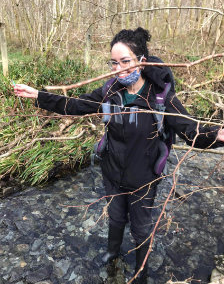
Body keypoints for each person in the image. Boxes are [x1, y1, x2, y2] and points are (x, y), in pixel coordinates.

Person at [13, 27, 224, 283]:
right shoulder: (110, 91)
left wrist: (217, 135)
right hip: (112, 174)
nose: (119, 68)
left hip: (144, 181)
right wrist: (38, 96)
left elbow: (192, 132)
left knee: (141, 228)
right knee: (114, 217)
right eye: (113, 63)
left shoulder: (160, 97)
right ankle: (113, 254)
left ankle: (140, 271)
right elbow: (75, 105)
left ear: (141, 61)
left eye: (125, 61)